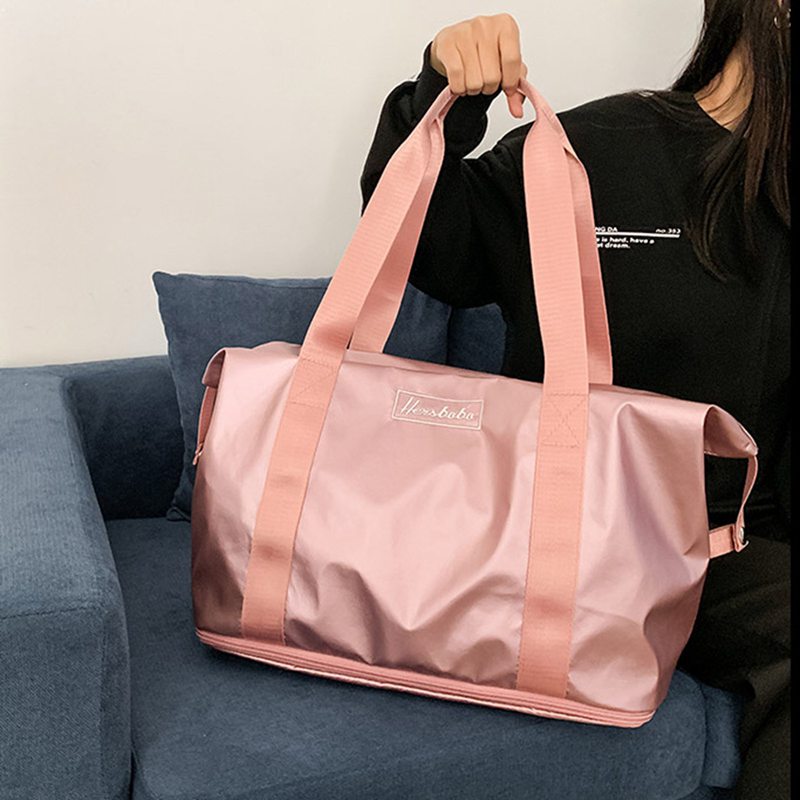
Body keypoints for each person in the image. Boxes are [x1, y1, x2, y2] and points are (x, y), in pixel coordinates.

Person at [359, 5, 790, 799]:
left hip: (732, 558)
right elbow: (420, 240)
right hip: (575, 539)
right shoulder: (599, 151)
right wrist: (442, 88)